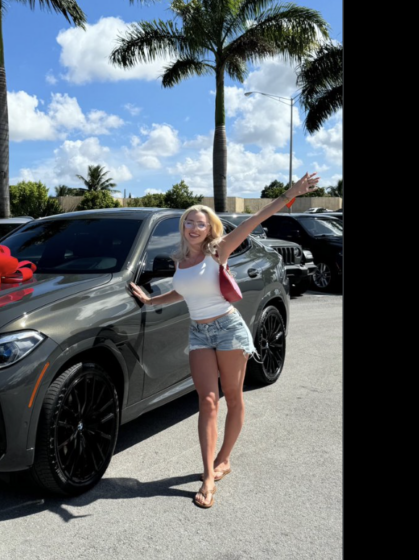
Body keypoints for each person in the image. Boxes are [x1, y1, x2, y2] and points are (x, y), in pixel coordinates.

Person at [129, 172, 319, 508]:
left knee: (232, 396)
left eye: (200, 223)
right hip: (199, 332)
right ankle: (207, 475)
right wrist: (150, 300)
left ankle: (225, 458)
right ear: (183, 227)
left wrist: (291, 192)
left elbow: (257, 219)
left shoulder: (218, 251)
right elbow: (183, 292)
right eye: (189, 222)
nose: (193, 227)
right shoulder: (180, 260)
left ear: (209, 228)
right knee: (207, 401)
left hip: (228, 329)